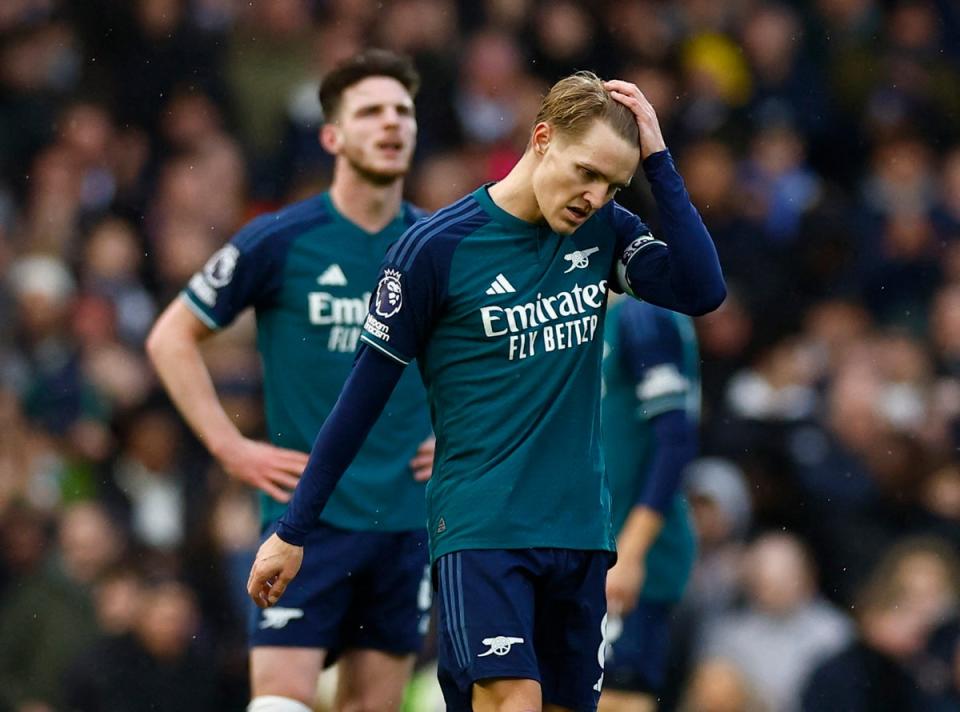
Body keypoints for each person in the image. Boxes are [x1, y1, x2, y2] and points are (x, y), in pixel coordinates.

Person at [248, 71, 726, 712]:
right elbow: (360, 402)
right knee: (511, 703)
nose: (594, 195)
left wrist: (660, 162)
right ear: (541, 138)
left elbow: (701, 290)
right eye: (585, 172)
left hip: (582, 532)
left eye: (613, 183)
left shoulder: (603, 231)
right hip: (484, 529)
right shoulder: (434, 251)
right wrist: (292, 529)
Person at [146, 49, 435, 712]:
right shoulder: (280, 239)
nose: (391, 124)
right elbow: (170, 339)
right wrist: (229, 446)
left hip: (405, 518)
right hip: (303, 520)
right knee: (280, 704)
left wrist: (456, 436)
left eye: (403, 111)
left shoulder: (435, 245)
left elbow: (486, 362)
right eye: (371, 112)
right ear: (332, 136)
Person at [598, 297, 701, 712]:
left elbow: (675, 440)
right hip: (592, 545)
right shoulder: (579, 314)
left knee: (619, 695)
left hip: (631, 554)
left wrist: (633, 551)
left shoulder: (643, 315)